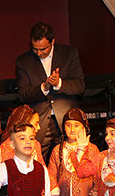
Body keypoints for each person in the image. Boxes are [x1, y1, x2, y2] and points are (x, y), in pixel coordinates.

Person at [15, 22, 85, 161]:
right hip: (39, 122)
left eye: (43, 49)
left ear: (52, 42)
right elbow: (23, 95)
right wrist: (43, 88)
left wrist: (59, 83)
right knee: (36, 163)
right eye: (35, 49)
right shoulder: (23, 61)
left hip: (66, 119)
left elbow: (79, 86)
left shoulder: (69, 54)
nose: (39, 53)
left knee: (71, 161)